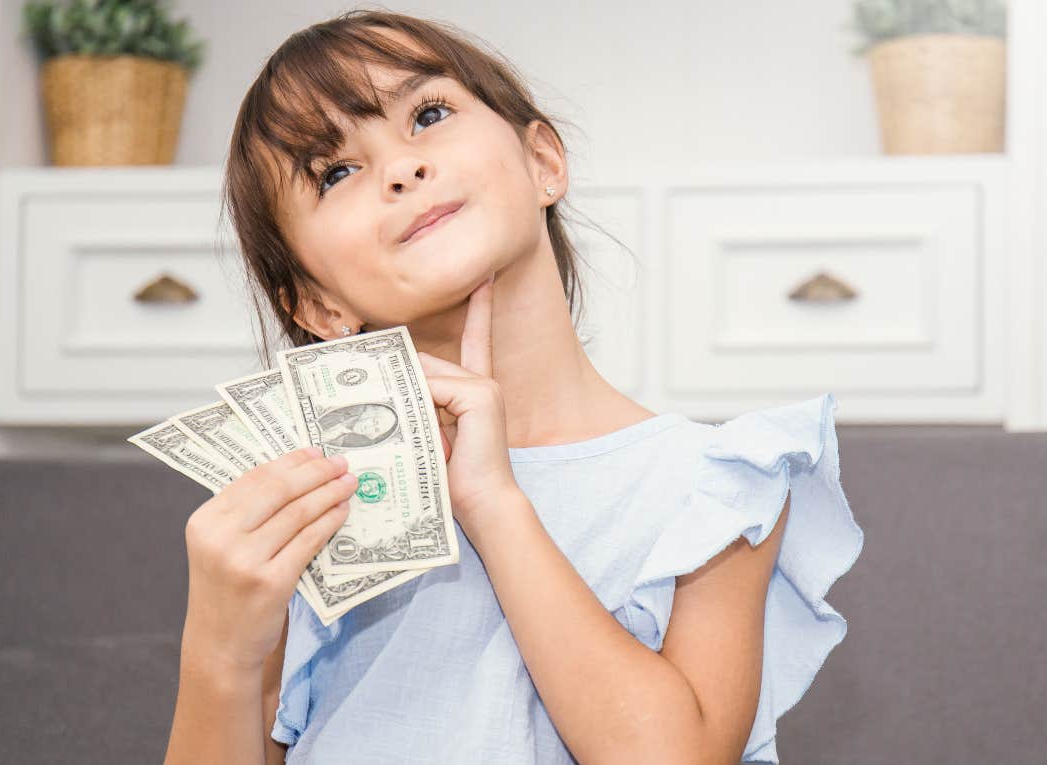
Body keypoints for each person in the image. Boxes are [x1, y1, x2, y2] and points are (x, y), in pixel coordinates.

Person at [164, 9, 864, 764]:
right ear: (316, 304)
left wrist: (495, 504)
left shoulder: (715, 484)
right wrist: (219, 652)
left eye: (428, 114)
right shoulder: (308, 509)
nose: (401, 169)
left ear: (543, 162)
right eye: (336, 172)